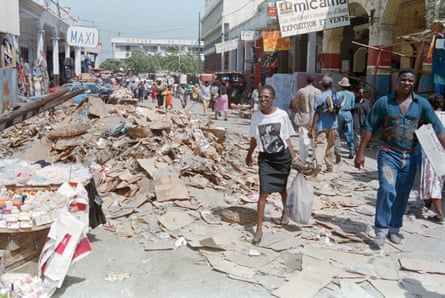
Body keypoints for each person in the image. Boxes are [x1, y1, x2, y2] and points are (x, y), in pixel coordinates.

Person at [354, 68, 445, 248]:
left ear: (414, 83)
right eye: (403, 80)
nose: (407, 83)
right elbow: (369, 127)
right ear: (397, 81)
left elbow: (438, 129)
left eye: (410, 81)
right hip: (389, 154)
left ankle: (394, 229)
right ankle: (381, 229)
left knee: (402, 194)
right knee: (387, 190)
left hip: (410, 157)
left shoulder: (422, 105)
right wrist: (360, 152)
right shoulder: (384, 102)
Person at [245, 85, 297, 245]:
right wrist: (248, 155)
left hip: (282, 158)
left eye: (266, 97)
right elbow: (254, 138)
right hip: (265, 159)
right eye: (260, 97)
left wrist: (293, 155)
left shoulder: (282, 115)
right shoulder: (255, 117)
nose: (263, 100)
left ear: (273, 98)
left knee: (282, 188)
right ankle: (259, 229)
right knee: (263, 193)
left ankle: (285, 212)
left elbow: (286, 137)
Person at [420, 93, 445, 223]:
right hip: (442, 156)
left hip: (433, 156)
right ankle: (427, 204)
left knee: (434, 184)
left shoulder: (429, 119)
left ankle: (439, 215)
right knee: (438, 183)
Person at [308, 75, 338, 175]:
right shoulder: (335, 95)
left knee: (320, 145)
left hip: (321, 125)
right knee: (330, 145)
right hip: (333, 124)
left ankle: (319, 164)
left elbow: (316, 113)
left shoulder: (320, 96)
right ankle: (329, 166)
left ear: (323, 86)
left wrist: (312, 128)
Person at [290, 76, 321, 165]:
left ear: (306, 81)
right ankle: (315, 159)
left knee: (304, 140)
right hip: (315, 118)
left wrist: (300, 108)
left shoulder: (301, 91)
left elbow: (294, 103)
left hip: (303, 118)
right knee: (315, 139)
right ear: (314, 81)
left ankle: (303, 160)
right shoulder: (318, 92)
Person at [335, 77, 356, 159]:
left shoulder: (338, 94)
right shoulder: (352, 94)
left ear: (341, 86)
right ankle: (352, 150)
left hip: (340, 113)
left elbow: (336, 104)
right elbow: (353, 105)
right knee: (349, 133)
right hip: (348, 113)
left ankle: (338, 151)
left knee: (338, 133)